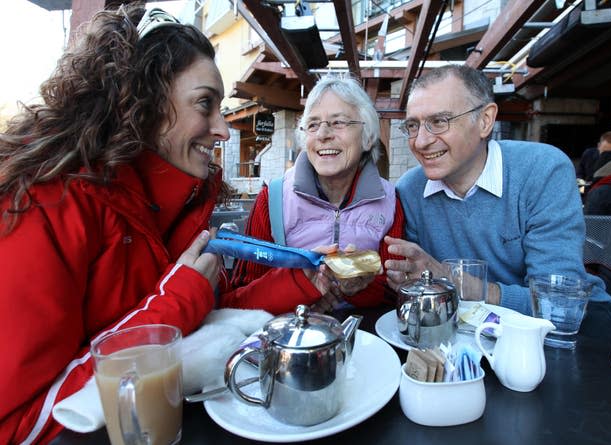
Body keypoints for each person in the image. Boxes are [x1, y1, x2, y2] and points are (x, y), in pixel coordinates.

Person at [0, 6, 231, 443]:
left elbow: (201, 312)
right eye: (205, 104)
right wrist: (177, 303)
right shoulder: (43, 203)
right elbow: (16, 424)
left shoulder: (173, 203)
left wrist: (305, 285)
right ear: (143, 101)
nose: (222, 129)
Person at [384, 64, 611, 348]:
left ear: (485, 120)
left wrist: (453, 281)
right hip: (467, 333)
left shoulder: (542, 170)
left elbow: (556, 306)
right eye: (413, 125)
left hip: (572, 332)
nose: (421, 141)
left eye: (439, 121)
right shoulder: (409, 189)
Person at [221, 74, 404, 314]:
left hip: (365, 340)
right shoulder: (272, 199)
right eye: (313, 124)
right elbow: (238, 301)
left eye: (338, 122)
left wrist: (358, 288)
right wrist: (301, 286)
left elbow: (395, 292)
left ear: (368, 137)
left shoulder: (390, 201)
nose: (323, 134)